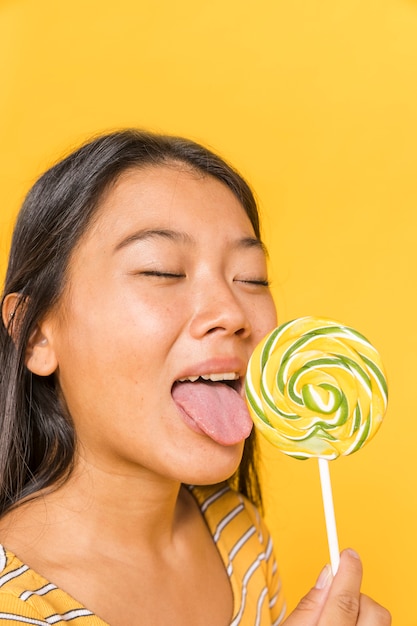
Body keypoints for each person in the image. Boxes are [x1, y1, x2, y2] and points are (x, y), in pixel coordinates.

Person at [0, 129, 390, 626]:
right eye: (162, 271)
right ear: (36, 334)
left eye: (251, 277)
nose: (231, 312)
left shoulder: (239, 537)